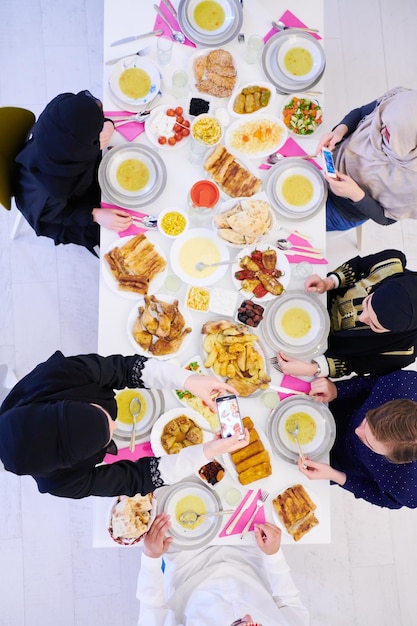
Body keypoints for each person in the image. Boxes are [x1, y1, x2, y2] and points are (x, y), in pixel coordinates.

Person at [0, 351, 249, 499]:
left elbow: (124, 369)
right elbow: (136, 479)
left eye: (99, 412)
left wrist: (188, 380)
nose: (117, 426)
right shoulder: (61, 483)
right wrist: (208, 452)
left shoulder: (58, 375)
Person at [14, 90, 133, 253]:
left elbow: (80, 117)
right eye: (94, 137)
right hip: (60, 212)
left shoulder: (56, 119)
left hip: (64, 172)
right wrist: (95, 215)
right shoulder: (51, 193)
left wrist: (107, 125)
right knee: (118, 234)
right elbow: (60, 214)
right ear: (79, 151)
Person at [136, 513, 309, 626]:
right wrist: (273, 555)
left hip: (188, 560)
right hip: (250, 549)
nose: (249, 616)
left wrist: (151, 557)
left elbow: (152, 611)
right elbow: (288, 603)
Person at [276, 249, 417, 379]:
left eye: (374, 324)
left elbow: (355, 363)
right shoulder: (389, 264)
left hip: (323, 347)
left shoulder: (402, 352)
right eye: (367, 302)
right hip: (318, 298)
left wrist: (312, 369)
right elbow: (358, 267)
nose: (362, 317)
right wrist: (328, 282)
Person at [300, 370, 417, 509]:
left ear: (392, 458)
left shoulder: (408, 487)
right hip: (330, 408)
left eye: (369, 442)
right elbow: (369, 384)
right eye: (368, 419)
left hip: (334, 464)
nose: (357, 431)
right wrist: (336, 390)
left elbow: (384, 498)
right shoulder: (405, 384)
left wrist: (336, 476)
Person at [317, 86, 417, 231]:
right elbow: (362, 112)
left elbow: (386, 219)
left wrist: (355, 194)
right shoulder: (403, 102)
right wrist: (340, 130)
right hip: (326, 160)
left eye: (390, 134)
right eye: (383, 121)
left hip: (341, 210)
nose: (380, 130)